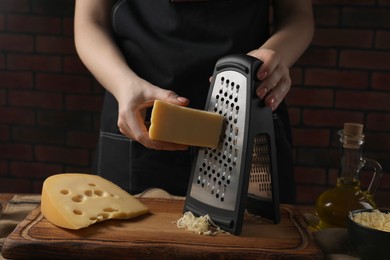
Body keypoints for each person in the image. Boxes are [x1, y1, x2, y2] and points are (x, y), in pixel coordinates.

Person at [74, 0, 314, 203]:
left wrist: (272, 60)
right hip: (139, 115)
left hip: (248, 113)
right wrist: (123, 84)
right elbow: (90, 20)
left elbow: (297, 14)